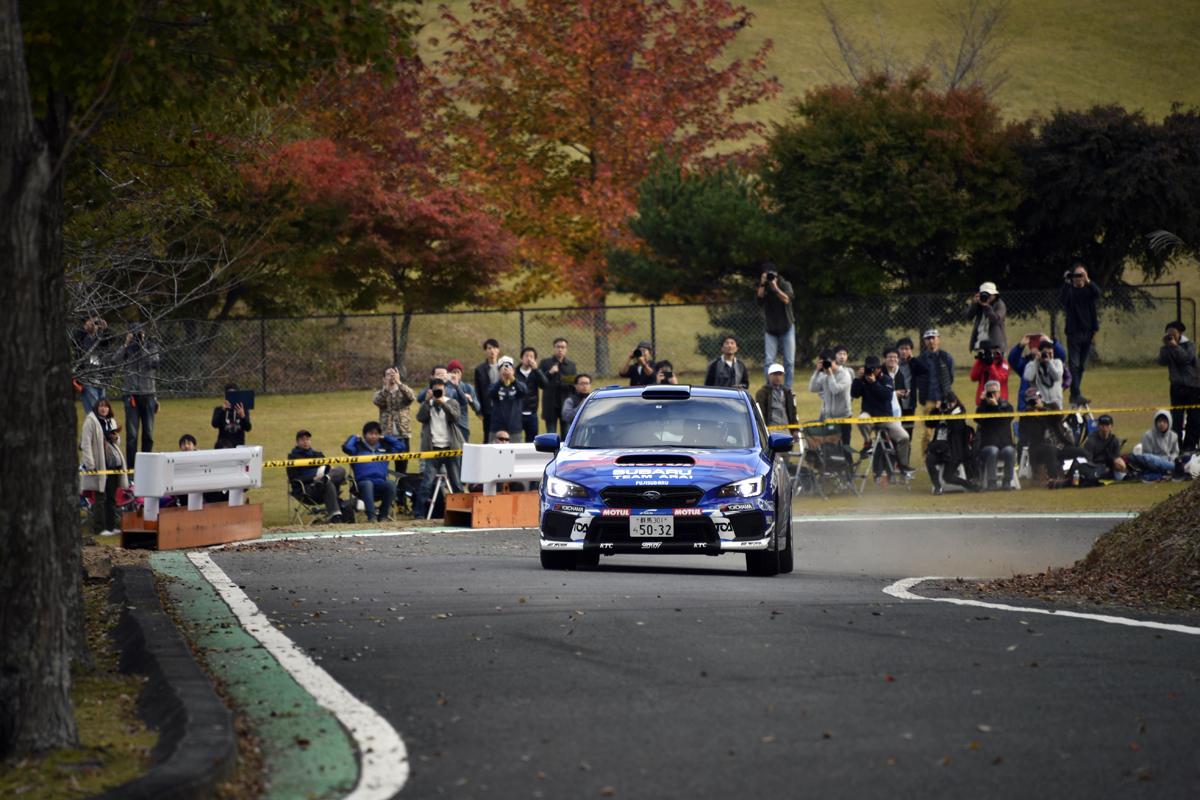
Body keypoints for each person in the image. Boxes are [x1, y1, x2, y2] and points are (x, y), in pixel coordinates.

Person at [851, 355, 912, 475]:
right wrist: (858, 379)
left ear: (879, 368)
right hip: (869, 414)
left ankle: (902, 464)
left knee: (904, 437)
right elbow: (855, 394)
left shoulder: (886, 379)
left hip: (885, 416)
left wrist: (874, 383)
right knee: (861, 420)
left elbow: (887, 396)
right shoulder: (863, 379)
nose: (872, 371)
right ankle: (868, 442)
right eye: (870, 368)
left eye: (875, 368)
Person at [414, 377, 465, 517]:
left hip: (450, 448)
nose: (438, 393)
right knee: (426, 483)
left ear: (445, 390)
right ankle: (419, 513)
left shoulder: (452, 402)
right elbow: (420, 417)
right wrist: (427, 401)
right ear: (431, 390)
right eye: (436, 390)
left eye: (440, 390)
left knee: (456, 483)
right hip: (433, 449)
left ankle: (463, 511)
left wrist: (443, 403)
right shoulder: (427, 404)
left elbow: (455, 417)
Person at [113, 325, 160, 468]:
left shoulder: (151, 347)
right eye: (135, 334)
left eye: (139, 334)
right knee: (132, 436)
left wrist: (143, 344)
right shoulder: (127, 349)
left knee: (148, 434)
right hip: (131, 395)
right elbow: (115, 361)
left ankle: (147, 467)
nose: (137, 337)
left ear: (144, 333)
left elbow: (155, 363)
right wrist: (126, 344)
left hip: (148, 395)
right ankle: (132, 469)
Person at [342, 421, 404, 522]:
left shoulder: (385, 447)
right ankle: (372, 517)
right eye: (370, 433)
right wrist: (354, 437)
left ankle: (383, 516)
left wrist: (386, 437)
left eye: (376, 434)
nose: (373, 436)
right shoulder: (357, 447)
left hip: (380, 485)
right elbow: (346, 448)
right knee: (368, 484)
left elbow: (401, 446)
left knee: (391, 484)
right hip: (362, 486)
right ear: (364, 435)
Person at [80, 398, 124, 535]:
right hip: (99, 463)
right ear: (96, 408)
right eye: (101, 406)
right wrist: (90, 464)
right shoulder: (90, 421)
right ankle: (100, 528)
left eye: (106, 406)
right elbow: (85, 443)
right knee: (100, 496)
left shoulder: (111, 421)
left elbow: (118, 442)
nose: (103, 409)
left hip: (113, 464)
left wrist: (116, 437)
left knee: (111, 496)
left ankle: (111, 527)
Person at [1059, 262, 1102, 405]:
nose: (1078, 278)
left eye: (1081, 275)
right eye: (1076, 275)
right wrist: (1067, 282)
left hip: (1088, 332)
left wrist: (1088, 280)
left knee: (1082, 365)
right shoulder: (1070, 290)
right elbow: (1063, 300)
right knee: (1074, 364)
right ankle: (1075, 394)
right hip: (1074, 333)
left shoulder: (1089, 290)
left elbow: (1098, 293)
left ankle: (1075, 393)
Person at [1019, 388, 1082, 482]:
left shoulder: (1052, 406)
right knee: (1051, 449)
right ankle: (1054, 478)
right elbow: (1024, 433)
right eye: (1030, 401)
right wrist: (1033, 417)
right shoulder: (1026, 415)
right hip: (1039, 447)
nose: (1033, 403)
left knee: (1081, 452)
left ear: (1040, 398)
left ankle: (1086, 474)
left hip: (1060, 444)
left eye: (1035, 399)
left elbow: (1059, 418)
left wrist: (1043, 409)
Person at [288, 429, 349, 523]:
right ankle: (335, 516)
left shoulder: (318, 455)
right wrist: (313, 478)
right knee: (328, 483)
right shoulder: (292, 458)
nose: (305, 442)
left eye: (307, 439)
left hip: (324, 484)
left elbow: (328, 468)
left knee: (340, 469)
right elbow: (294, 479)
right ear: (297, 442)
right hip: (308, 489)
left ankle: (326, 478)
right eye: (302, 439)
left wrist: (329, 472)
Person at [924, 393, 979, 494]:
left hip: (953, 451)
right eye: (947, 403)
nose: (949, 405)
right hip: (939, 448)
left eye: (951, 403)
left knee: (948, 477)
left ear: (956, 402)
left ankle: (970, 485)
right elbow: (929, 424)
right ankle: (937, 486)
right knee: (929, 460)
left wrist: (947, 413)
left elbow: (955, 428)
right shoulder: (941, 412)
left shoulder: (960, 412)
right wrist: (936, 411)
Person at [1158, 321, 1200, 451]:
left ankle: (1190, 447)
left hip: (1193, 387)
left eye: (1173, 333)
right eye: (1169, 333)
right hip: (1176, 387)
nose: (1171, 335)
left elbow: (1186, 359)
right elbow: (1161, 361)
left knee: (1194, 419)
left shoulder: (1189, 345)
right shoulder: (1167, 347)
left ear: (1180, 333)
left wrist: (1175, 346)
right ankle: (1177, 447)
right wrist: (1166, 347)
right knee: (1176, 420)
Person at [910, 329, 955, 449]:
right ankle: (926, 460)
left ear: (938, 339)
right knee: (927, 433)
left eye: (933, 338)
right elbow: (915, 380)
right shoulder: (920, 360)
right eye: (928, 339)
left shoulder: (946, 357)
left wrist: (943, 396)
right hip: (928, 400)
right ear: (924, 342)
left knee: (948, 429)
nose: (931, 341)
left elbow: (950, 378)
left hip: (945, 400)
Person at [756, 263, 796, 388]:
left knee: (789, 361)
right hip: (771, 329)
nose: (770, 276)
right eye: (767, 274)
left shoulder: (785, 284)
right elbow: (759, 300)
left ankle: (788, 389)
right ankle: (769, 387)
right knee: (769, 361)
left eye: (771, 274)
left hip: (787, 327)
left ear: (777, 274)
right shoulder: (764, 287)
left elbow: (786, 299)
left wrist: (775, 287)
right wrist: (763, 283)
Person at [1008, 334, 1068, 411]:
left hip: (1055, 406)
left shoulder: (1056, 362)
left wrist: (1051, 342)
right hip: (1032, 406)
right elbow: (1013, 362)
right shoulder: (1027, 364)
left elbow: (1062, 357)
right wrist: (1020, 346)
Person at [975, 380, 1016, 490]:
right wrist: (983, 402)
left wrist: (996, 406)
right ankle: (991, 482)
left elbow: (1006, 420)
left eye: (995, 392)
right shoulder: (983, 407)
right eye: (990, 392)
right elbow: (977, 419)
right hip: (987, 446)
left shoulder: (1006, 406)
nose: (992, 395)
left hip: (1004, 445)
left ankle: (1007, 482)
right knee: (993, 450)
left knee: (1010, 451)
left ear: (999, 392)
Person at [373, 367, 416, 473]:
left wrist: (399, 383)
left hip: (402, 435)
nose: (391, 377)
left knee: (401, 469)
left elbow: (411, 397)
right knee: (381, 467)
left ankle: (400, 488)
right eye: (388, 374)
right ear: (383, 378)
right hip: (385, 436)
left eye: (394, 374)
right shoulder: (381, 393)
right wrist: (387, 388)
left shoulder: (403, 391)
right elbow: (377, 401)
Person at [809, 348, 853, 446]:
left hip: (844, 416)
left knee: (845, 446)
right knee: (829, 447)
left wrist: (830, 375)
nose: (826, 366)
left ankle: (848, 461)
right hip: (828, 416)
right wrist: (817, 371)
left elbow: (835, 390)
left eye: (827, 363)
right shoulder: (824, 374)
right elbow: (812, 388)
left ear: (834, 361)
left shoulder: (844, 374)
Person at [1126, 410, 1181, 480]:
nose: (1162, 424)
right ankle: (1170, 471)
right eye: (1159, 421)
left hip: (1168, 461)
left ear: (1169, 423)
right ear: (1156, 422)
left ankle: (1160, 474)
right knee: (1154, 460)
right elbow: (1147, 455)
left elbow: (1176, 452)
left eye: (1164, 422)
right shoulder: (1148, 435)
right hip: (1153, 461)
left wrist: (1171, 458)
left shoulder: (1174, 436)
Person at [537, 339, 576, 437]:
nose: (560, 349)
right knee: (551, 435)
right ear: (554, 348)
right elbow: (540, 383)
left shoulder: (571, 365)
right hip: (550, 403)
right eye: (558, 347)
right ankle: (552, 452)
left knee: (567, 434)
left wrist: (564, 382)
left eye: (563, 347)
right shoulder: (545, 363)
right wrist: (550, 373)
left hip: (565, 403)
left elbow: (573, 383)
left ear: (566, 349)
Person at [73, 316, 110, 415]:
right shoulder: (81, 336)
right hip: (87, 378)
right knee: (95, 410)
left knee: (102, 410)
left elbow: (108, 342)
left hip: (101, 378)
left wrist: (105, 329)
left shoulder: (100, 337)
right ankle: (96, 428)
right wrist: (87, 329)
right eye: (92, 322)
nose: (95, 324)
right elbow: (76, 341)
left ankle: (99, 429)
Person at [487, 356, 528, 440]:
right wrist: (501, 381)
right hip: (497, 428)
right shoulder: (494, 385)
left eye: (509, 368)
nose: (506, 371)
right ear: (499, 371)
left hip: (514, 429)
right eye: (503, 369)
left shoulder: (518, 385)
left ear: (513, 371)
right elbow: (490, 393)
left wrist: (513, 379)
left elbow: (524, 391)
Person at [755, 363, 798, 440]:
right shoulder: (762, 393)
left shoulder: (788, 393)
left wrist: (795, 429)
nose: (778, 377)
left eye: (780, 374)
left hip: (786, 428)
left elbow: (793, 412)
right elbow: (760, 413)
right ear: (769, 376)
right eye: (775, 374)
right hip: (771, 429)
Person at [516, 347, 548, 442]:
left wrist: (537, 370)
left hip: (532, 414)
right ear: (521, 358)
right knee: (516, 440)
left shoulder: (536, 373)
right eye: (526, 356)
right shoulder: (514, 373)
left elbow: (545, 385)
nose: (529, 359)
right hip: (517, 413)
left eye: (532, 356)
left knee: (531, 442)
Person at [966, 281, 1007, 354]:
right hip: (980, 344)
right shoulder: (978, 304)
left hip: (995, 345)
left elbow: (996, 320)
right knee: (981, 365)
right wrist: (974, 304)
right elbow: (968, 317)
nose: (988, 296)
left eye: (990, 294)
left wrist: (986, 306)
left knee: (994, 365)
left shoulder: (999, 304)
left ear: (995, 294)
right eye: (985, 294)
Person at [1083, 414, 1126, 480]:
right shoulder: (1091, 441)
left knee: (1122, 475)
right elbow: (1088, 462)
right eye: (1102, 425)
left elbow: (1116, 457)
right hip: (1095, 468)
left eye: (1107, 425)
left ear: (1111, 426)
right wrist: (1101, 468)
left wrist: (1119, 465)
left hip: (1109, 467)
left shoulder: (1114, 440)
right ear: (1098, 426)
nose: (1104, 428)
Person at [1023, 339, 1064, 408]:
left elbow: (1057, 377)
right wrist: (1036, 361)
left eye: (1051, 353)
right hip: (1041, 405)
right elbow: (1028, 377)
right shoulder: (1032, 364)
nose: (1048, 356)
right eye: (1045, 353)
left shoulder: (1057, 363)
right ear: (1040, 352)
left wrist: (1049, 362)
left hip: (1057, 404)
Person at [445, 360, 480, 442]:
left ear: (461, 374)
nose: (456, 375)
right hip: (447, 425)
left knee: (463, 453)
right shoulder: (444, 386)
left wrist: (471, 401)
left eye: (458, 372)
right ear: (448, 374)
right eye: (453, 372)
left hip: (463, 426)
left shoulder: (467, 387)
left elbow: (477, 408)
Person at [474, 338, 502, 437]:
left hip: (503, 407)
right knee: (488, 435)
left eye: (494, 348)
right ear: (485, 351)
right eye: (489, 348)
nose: (492, 351)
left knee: (504, 436)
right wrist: (478, 410)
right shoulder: (479, 370)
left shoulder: (505, 367)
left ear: (498, 350)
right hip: (488, 409)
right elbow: (477, 391)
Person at [968, 340, 1010, 405]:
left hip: (999, 401)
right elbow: (973, 377)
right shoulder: (982, 362)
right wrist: (980, 361)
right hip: (983, 400)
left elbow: (999, 380)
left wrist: (990, 364)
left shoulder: (1003, 364)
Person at [211, 382, 252, 448]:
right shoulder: (219, 409)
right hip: (223, 445)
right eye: (229, 395)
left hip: (238, 445)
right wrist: (222, 410)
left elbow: (248, 428)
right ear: (225, 396)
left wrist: (243, 416)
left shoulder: (243, 410)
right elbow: (214, 424)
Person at [894, 338, 917, 439]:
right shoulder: (893, 364)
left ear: (911, 350)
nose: (904, 351)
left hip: (909, 403)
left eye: (907, 349)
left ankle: (906, 454)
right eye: (901, 349)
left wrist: (913, 360)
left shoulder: (914, 364)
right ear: (897, 350)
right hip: (895, 403)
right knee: (895, 433)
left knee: (908, 433)